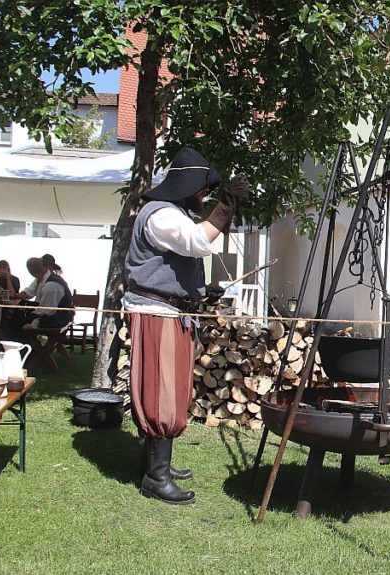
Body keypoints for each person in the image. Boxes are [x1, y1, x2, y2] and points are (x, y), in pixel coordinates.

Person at [122, 146, 249, 504]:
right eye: (202, 190)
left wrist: (197, 291)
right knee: (161, 392)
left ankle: (157, 464)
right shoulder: (161, 215)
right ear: (188, 185)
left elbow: (180, 260)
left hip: (172, 312)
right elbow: (196, 242)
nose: (203, 196)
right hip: (157, 313)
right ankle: (155, 477)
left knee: (170, 389)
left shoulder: (171, 213)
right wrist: (225, 205)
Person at [6, 256, 74, 335]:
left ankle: (17, 341)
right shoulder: (40, 279)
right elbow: (26, 294)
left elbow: (46, 311)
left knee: (19, 318)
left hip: (57, 320)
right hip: (47, 315)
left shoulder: (51, 285)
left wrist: (28, 314)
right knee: (19, 309)